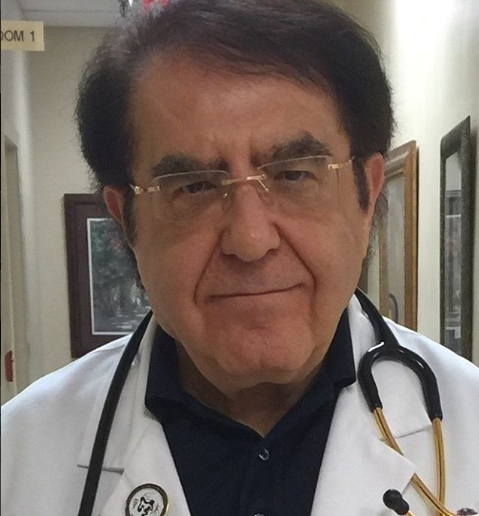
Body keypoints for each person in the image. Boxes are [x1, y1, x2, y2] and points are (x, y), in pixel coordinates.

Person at [2, 1, 478, 515]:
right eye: (194, 187)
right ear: (127, 221)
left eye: (294, 174)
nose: (250, 241)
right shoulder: (18, 458)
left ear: (369, 193)